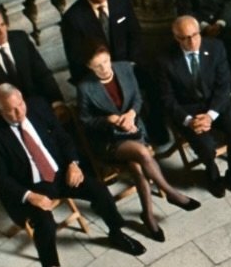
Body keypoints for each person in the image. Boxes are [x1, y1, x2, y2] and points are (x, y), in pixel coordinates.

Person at [0, 82, 143, 267]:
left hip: (60, 172)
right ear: (0, 112)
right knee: (45, 224)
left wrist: (73, 163)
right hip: (29, 187)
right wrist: (31, 196)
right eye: (11, 111)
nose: (20, 112)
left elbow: (63, 138)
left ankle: (116, 232)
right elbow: (1, 180)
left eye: (21, 104)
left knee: (98, 189)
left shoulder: (38, 107)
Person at [73, 46, 187, 237]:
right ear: (89, 67)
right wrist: (108, 119)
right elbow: (85, 120)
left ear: (110, 57)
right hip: (109, 139)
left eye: (106, 62)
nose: (104, 68)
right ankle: (170, 192)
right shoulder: (84, 87)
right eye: (97, 66)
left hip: (133, 129)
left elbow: (137, 98)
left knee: (136, 166)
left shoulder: (125, 68)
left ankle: (148, 215)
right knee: (142, 153)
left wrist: (132, 114)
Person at [161, 15, 231, 198]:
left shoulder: (215, 47)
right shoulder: (165, 60)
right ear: (177, 38)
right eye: (185, 38)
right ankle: (212, 175)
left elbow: (224, 85)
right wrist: (189, 121)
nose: (192, 41)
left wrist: (210, 115)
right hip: (189, 110)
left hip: (216, 104)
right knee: (206, 146)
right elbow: (167, 98)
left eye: (195, 35)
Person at [0, 6, 65, 115]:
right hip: (7, 114)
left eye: (2, 25)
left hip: (38, 104)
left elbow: (42, 73)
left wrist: (57, 102)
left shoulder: (21, 39)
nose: (2, 32)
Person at [56, 0, 142, 88]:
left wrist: (130, 65)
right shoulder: (73, 18)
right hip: (98, 80)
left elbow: (135, 34)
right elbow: (76, 60)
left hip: (130, 68)